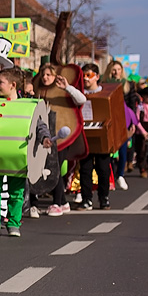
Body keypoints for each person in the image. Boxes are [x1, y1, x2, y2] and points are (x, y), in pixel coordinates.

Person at [0, 68, 51, 238]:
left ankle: (13, 222)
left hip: (17, 158)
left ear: (13, 85)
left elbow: (39, 125)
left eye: (0, 83)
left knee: (17, 192)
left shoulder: (27, 106)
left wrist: (44, 138)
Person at [32, 63, 85, 216]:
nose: (45, 77)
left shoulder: (63, 89)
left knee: (55, 167)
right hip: (44, 135)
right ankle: (63, 202)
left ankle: (57, 202)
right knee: (48, 168)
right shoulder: (39, 90)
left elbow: (81, 100)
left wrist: (67, 87)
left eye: (48, 74)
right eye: (43, 75)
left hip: (61, 135)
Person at [77, 63, 112, 208]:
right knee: (85, 169)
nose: (86, 79)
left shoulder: (105, 93)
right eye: (84, 76)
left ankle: (104, 197)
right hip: (85, 134)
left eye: (89, 75)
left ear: (97, 77)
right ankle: (87, 199)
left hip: (101, 135)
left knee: (103, 169)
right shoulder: (80, 94)